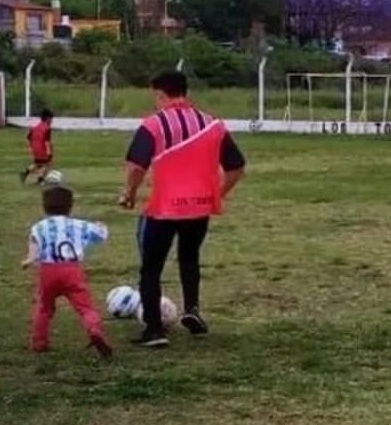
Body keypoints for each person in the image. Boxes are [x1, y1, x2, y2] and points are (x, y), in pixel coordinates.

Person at [118, 70, 245, 348]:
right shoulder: (211, 124)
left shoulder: (154, 124)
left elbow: (137, 166)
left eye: (156, 97)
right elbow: (236, 167)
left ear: (160, 94)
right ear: (185, 91)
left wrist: (129, 193)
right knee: (189, 258)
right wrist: (216, 194)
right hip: (198, 208)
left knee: (151, 268)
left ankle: (154, 330)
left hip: (164, 208)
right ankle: (192, 310)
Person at [21, 186, 113, 357]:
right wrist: (102, 226)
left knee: (44, 307)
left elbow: (34, 244)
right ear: (70, 206)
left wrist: (30, 258)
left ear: (44, 206)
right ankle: (94, 330)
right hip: (72, 271)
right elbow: (101, 235)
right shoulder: (80, 225)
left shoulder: (39, 227)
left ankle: (39, 342)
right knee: (86, 307)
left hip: (48, 271)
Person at [20, 109, 55, 185]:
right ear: (48, 118)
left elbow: (28, 136)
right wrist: (49, 153)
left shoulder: (36, 127)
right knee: (47, 164)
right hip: (43, 148)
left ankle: (25, 172)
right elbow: (47, 142)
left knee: (37, 164)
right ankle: (41, 180)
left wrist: (32, 144)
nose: (52, 121)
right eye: (51, 119)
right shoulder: (47, 128)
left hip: (35, 148)